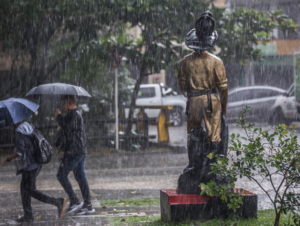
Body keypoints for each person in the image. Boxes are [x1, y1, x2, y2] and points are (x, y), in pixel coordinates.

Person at [177, 11, 228, 184]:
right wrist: (224, 109)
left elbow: (183, 87)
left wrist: (192, 96)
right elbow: (223, 88)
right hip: (210, 100)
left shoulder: (184, 62)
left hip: (193, 101)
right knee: (214, 137)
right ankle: (212, 170)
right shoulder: (216, 61)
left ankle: (194, 166)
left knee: (193, 134)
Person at [1, 121, 67, 223]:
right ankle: (28, 216)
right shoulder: (28, 125)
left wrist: (7, 159)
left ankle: (57, 201)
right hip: (36, 162)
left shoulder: (20, 130)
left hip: (29, 166)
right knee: (25, 189)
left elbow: (19, 152)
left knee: (29, 190)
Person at [55, 95, 95, 215]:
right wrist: (61, 127)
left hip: (74, 152)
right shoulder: (74, 115)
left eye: (63, 102)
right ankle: (88, 205)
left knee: (61, 175)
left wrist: (58, 117)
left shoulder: (74, 114)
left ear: (69, 103)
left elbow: (68, 127)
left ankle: (75, 200)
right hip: (78, 151)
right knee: (80, 177)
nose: (62, 105)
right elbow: (69, 130)